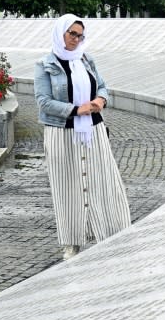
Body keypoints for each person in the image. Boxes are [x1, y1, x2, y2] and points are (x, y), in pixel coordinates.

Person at [34, 14, 132, 260]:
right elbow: (43, 102)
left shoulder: (86, 59)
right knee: (67, 187)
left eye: (80, 35)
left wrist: (101, 100)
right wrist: (76, 110)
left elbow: (101, 85)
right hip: (62, 132)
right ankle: (72, 243)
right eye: (72, 34)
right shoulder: (45, 64)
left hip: (94, 130)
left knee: (104, 181)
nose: (76, 40)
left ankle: (111, 234)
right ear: (61, 33)